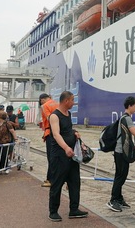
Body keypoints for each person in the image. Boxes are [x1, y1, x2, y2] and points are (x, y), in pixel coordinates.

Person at [48, 91, 88, 221]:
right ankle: (53, 211)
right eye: (72, 100)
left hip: (72, 155)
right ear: (66, 101)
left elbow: (67, 129)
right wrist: (65, 147)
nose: (73, 102)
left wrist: (75, 133)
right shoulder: (54, 116)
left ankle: (74, 209)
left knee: (74, 182)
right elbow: (56, 134)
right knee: (57, 183)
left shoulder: (68, 114)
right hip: (59, 155)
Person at [107, 96, 135, 212]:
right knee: (120, 176)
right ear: (130, 106)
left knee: (122, 175)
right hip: (121, 152)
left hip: (121, 151)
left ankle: (119, 198)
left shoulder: (124, 117)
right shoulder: (127, 118)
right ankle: (113, 200)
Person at [40, 93, 59, 187]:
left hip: (51, 133)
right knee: (60, 157)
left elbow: (50, 118)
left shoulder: (44, 106)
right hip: (61, 132)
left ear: (42, 100)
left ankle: (50, 179)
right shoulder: (58, 104)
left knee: (51, 157)